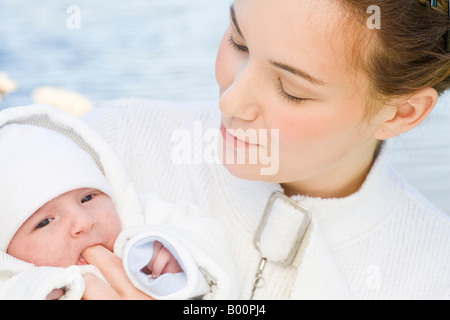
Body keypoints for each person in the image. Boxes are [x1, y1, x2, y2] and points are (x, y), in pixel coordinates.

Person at [82, 0, 450, 299]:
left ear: (403, 112)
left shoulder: (433, 275)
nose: (230, 102)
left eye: (292, 90)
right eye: (238, 43)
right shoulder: (113, 145)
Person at [0, 104, 236, 300]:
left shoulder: (141, 223)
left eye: (87, 197)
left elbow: (209, 236)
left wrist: (180, 257)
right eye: (45, 222)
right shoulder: (16, 286)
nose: (84, 221)